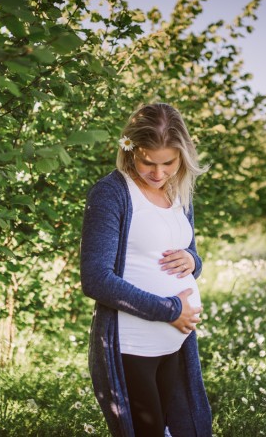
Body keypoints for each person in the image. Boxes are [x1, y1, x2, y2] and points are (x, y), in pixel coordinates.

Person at [80, 103, 212, 436]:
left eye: (168, 162)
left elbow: (189, 254)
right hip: (133, 344)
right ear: (129, 150)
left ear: (183, 154)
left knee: (172, 427)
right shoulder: (112, 193)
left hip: (174, 344)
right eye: (147, 161)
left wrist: (194, 262)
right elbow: (96, 278)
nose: (158, 173)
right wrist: (170, 309)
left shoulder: (177, 191)